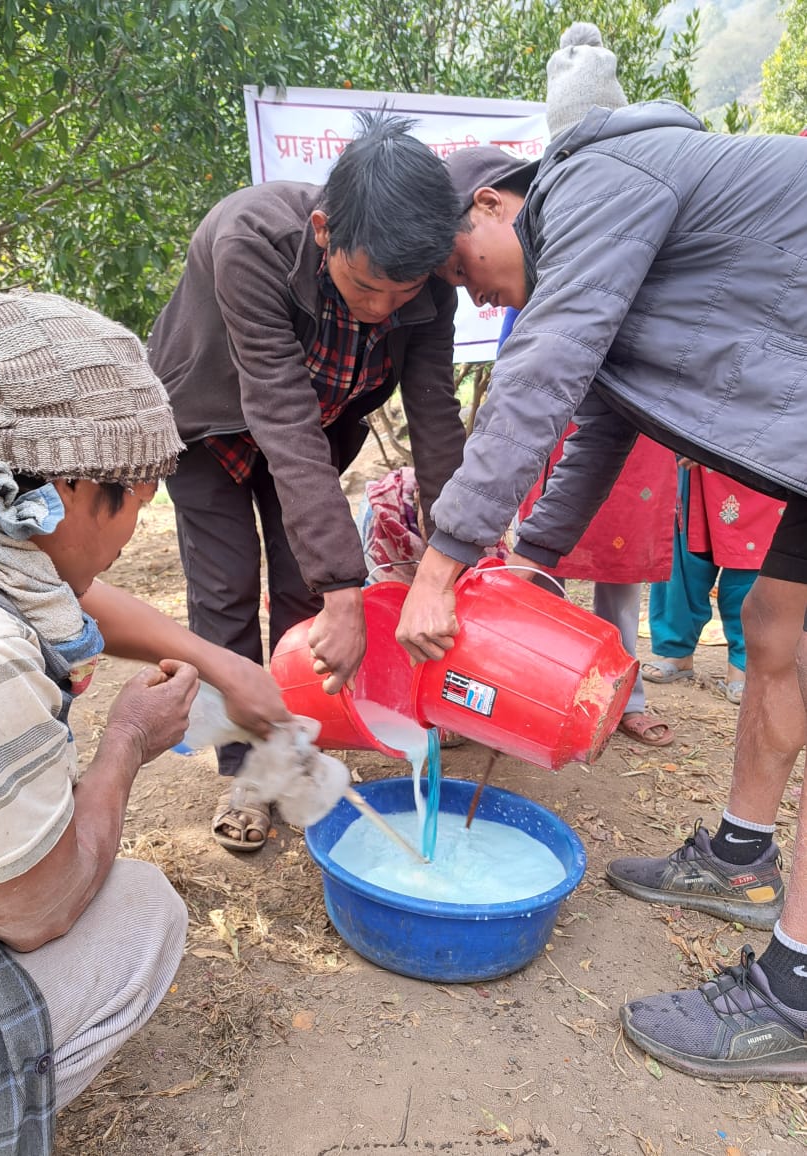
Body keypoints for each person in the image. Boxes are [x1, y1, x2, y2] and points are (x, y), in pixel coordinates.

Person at [395, 22, 807, 1081]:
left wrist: (442, 565)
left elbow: (544, 371)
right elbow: (593, 416)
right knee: (771, 622)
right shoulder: (615, 223)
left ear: (496, 202)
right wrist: (530, 559)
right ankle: (741, 855)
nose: (474, 297)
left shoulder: (599, 180)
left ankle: (794, 995)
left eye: (461, 268)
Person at [0, 290, 288, 1151]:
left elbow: (73, 587)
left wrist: (221, 663)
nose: (140, 524)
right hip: (15, 908)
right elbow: (35, 908)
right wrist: (127, 742)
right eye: (135, 497)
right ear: (62, 489)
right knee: (139, 911)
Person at [148, 110, 466, 851]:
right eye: (367, 287)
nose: (384, 308)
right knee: (226, 590)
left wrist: (456, 556)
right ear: (324, 231)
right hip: (209, 426)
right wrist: (344, 586)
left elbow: (435, 424)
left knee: (303, 597)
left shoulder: (427, 290)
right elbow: (279, 410)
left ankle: (290, 752)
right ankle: (247, 776)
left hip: (314, 436)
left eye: (403, 292)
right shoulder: (250, 240)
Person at [502, 305, 677, 747]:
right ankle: (538, 693)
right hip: (560, 411)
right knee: (540, 568)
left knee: (622, 569)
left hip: (640, 414)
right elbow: (513, 344)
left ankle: (623, 699)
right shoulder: (543, 253)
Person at [643, 461, 785, 704]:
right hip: (700, 458)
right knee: (686, 557)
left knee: (750, 565)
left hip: (760, 459)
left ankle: (743, 664)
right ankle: (677, 652)